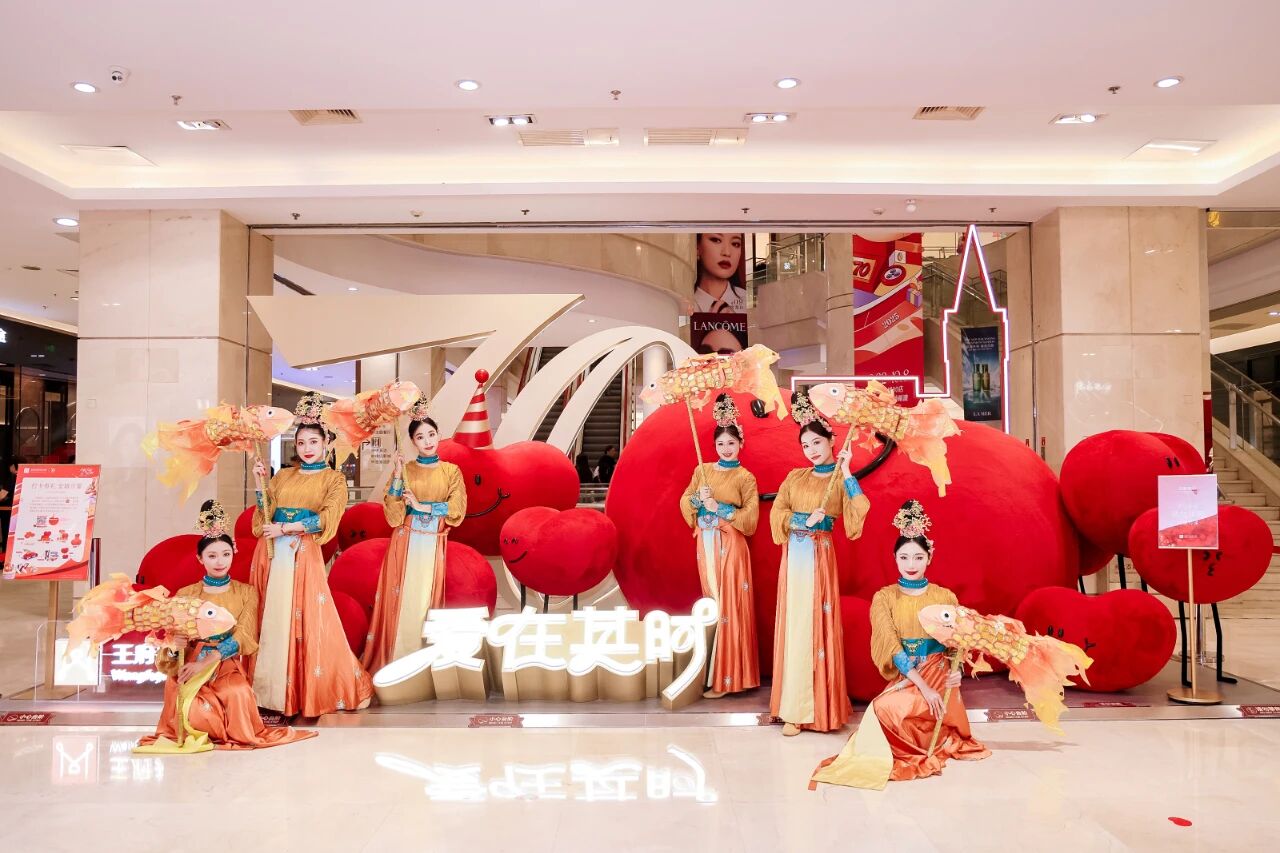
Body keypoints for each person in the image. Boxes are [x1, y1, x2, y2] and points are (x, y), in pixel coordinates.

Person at [812, 500, 990, 789]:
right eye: (904, 557)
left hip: (939, 673)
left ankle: (935, 734)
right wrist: (923, 686)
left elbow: (956, 644)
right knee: (881, 709)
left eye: (918, 557)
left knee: (888, 711)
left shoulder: (944, 596)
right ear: (894, 558)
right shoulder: (884, 598)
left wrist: (956, 672)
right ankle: (916, 740)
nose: (911, 565)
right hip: (910, 675)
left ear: (929, 558)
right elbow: (892, 646)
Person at [136, 501, 316, 753]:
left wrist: (210, 659)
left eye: (225, 554)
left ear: (233, 553)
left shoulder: (246, 593)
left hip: (225, 665)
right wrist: (175, 646)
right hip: (190, 665)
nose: (219, 561)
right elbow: (171, 641)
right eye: (211, 556)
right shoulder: (187, 594)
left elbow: (244, 634)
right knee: (194, 709)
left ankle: (233, 732)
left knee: (238, 694)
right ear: (200, 558)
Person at [247, 393, 372, 716]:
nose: (306, 448)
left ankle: (301, 691)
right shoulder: (282, 476)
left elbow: (328, 517)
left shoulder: (334, 479)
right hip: (271, 552)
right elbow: (264, 514)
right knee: (271, 615)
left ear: (326, 443)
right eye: (301, 442)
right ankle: (268, 691)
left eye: (313, 441)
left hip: (302, 551)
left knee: (304, 616)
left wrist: (288, 529)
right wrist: (259, 483)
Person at [768, 392, 870, 736]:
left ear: (831, 441)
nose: (811, 450)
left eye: (817, 442)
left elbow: (858, 513)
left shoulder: (840, 479)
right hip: (793, 558)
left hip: (819, 557)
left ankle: (817, 710)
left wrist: (847, 469)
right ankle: (792, 708)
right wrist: (801, 519)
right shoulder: (795, 477)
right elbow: (777, 514)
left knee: (813, 624)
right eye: (805, 445)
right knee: (795, 626)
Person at [361, 403, 467, 674]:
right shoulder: (406, 470)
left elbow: (457, 508)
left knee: (425, 598)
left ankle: (423, 663)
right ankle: (397, 660)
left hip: (433, 541)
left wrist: (423, 507)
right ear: (412, 441)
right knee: (402, 598)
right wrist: (397, 475)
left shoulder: (451, 471)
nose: (427, 441)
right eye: (420, 437)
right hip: (405, 540)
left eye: (431, 434)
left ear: (438, 434)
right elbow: (394, 515)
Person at [679, 394, 760, 698]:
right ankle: (713, 671)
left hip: (731, 544)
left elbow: (750, 518)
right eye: (721, 444)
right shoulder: (702, 471)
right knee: (712, 603)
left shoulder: (746, 477)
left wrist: (721, 508)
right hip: (706, 542)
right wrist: (698, 499)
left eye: (731, 443)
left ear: (741, 444)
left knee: (730, 605)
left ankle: (731, 678)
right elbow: (684, 501)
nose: (726, 448)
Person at [692, 233, 748, 314]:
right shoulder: (683, 304)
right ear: (697, 247)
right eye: (716, 240)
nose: (727, 253)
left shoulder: (751, 302)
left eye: (735, 244)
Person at [0, 457, 15, 559]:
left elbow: (2, 496)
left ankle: (5, 556)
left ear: (14, 466)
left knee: (7, 534)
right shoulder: (24, 477)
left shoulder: (12, 478)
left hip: (7, 511)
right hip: (18, 511)